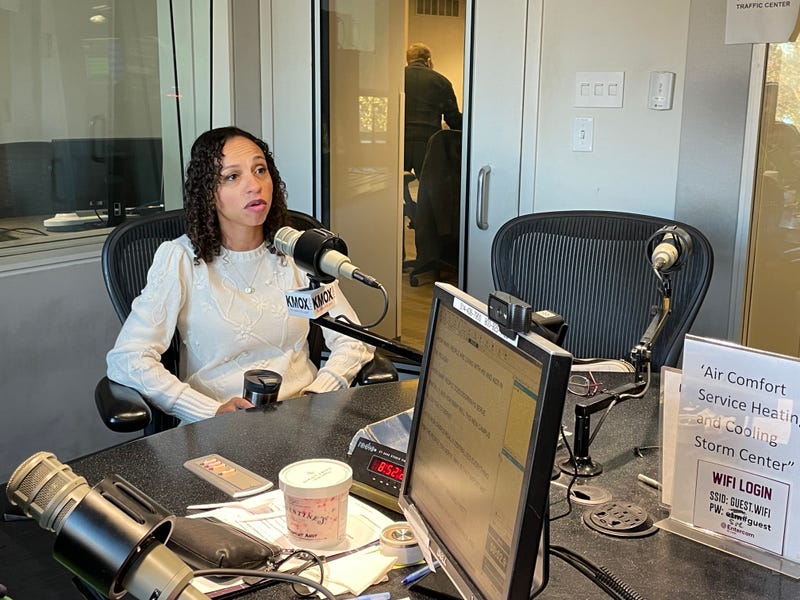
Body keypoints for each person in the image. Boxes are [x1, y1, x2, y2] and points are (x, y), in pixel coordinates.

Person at [106, 126, 374, 423]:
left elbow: (354, 340)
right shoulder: (180, 260)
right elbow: (128, 359)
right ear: (208, 192)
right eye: (232, 176)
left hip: (302, 422)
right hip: (218, 429)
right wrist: (210, 411)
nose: (254, 185)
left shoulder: (297, 253)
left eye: (260, 170)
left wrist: (317, 395)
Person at [404, 42, 462, 182]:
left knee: (397, 184)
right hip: (428, 141)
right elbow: (453, 118)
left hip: (401, 139)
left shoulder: (398, 78)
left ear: (408, 60)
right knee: (428, 185)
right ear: (428, 61)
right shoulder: (441, 81)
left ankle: (404, 196)